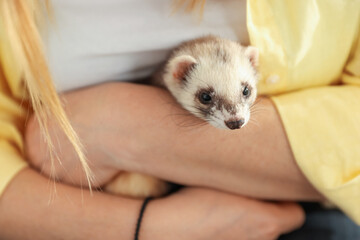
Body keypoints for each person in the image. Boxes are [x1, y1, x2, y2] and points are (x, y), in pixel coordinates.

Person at [0, 0, 359, 239]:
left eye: (246, 94)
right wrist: (153, 227)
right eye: (207, 98)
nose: (236, 115)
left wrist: (117, 123)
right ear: (179, 76)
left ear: (253, 67)